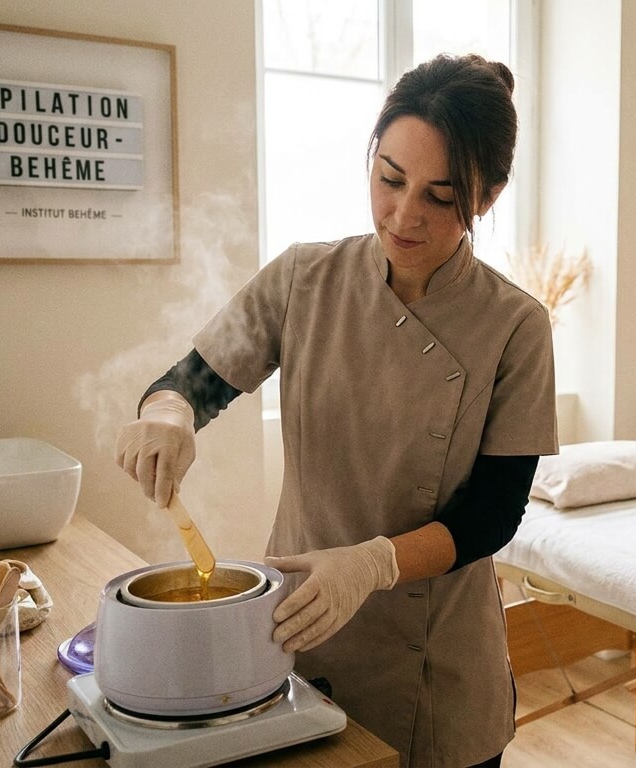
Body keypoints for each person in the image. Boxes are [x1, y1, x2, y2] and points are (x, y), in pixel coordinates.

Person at [115, 53, 557, 768]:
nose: (404, 214)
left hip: (438, 670)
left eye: (441, 197)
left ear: (490, 192)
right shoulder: (303, 279)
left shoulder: (515, 326)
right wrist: (168, 416)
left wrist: (374, 564)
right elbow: (190, 382)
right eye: (389, 179)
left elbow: (495, 513)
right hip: (302, 636)